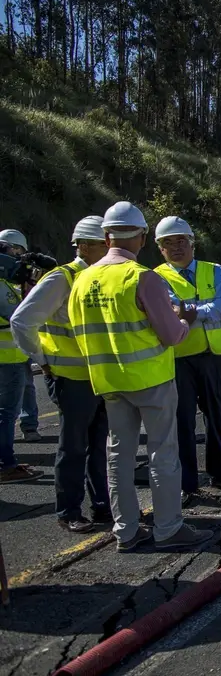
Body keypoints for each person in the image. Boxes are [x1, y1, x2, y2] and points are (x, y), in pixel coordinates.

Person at [68, 201, 212, 552]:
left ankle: (126, 531)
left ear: (106, 236)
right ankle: (168, 528)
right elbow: (172, 335)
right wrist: (185, 319)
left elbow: (77, 331)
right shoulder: (141, 277)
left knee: (118, 456)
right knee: (163, 453)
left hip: (108, 382)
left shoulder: (82, 279)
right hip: (151, 380)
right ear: (144, 237)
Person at [10, 217, 112, 532]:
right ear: (84, 245)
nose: (111, 248)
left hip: (101, 378)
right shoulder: (62, 278)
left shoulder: (101, 276)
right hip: (72, 379)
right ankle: (69, 511)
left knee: (99, 447)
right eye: (104, 243)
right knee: (74, 447)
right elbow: (22, 321)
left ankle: (102, 508)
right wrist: (43, 359)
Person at [153, 216, 221, 503]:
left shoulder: (213, 270)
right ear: (160, 249)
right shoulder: (155, 277)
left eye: (181, 241)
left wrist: (196, 311)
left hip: (214, 356)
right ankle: (187, 483)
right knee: (181, 423)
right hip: (179, 359)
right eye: (169, 243)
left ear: (192, 243)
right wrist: (204, 308)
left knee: (217, 418)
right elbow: (171, 309)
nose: (176, 247)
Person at [0, 229, 42, 484]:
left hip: (12, 358)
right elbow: (19, 317)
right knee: (6, 414)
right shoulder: (3, 286)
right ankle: (6, 465)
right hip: (8, 359)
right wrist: (31, 290)